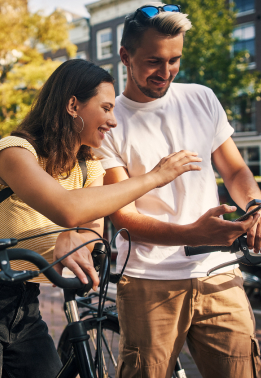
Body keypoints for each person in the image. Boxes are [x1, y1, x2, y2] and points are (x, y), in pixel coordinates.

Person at [0, 59, 202, 378]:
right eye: (106, 108)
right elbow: (67, 208)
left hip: (26, 302)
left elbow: (90, 229)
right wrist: (155, 177)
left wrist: (74, 238)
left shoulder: (90, 168)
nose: (113, 120)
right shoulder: (15, 152)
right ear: (73, 105)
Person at [94, 4, 261, 378]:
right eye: (154, 61)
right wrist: (192, 234)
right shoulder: (107, 122)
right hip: (148, 282)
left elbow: (234, 169)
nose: (165, 72)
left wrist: (254, 204)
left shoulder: (202, 98)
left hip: (218, 271)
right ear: (125, 56)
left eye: (175, 60)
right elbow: (123, 217)